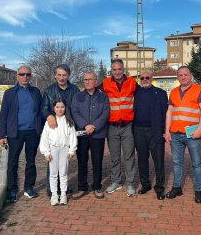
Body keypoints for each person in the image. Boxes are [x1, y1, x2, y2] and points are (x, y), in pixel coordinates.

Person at [0, 66, 43, 203]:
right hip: (15, 133)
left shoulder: (36, 92)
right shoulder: (10, 93)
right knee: (12, 163)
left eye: (28, 74)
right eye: (22, 74)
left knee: (31, 161)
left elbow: (41, 112)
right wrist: (2, 135)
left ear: (31, 76)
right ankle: (12, 191)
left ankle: (28, 188)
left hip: (32, 132)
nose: (25, 76)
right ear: (17, 76)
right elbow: (4, 115)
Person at [165, 66, 201, 203]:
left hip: (192, 134)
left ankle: (199, 190)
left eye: (186, 75)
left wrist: (199, 130)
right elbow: (169, 112)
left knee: (197, 163)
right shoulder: (173, 92)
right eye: (180, 75)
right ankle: (177, 188)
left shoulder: (199, 90)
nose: (183, 77)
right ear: (178, 77)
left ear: (191, 76)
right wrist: (167, 131)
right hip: (176, 134)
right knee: (177, 162)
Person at [98, 59, 140, 196]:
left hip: (128, 125)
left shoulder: (132, 82)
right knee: (115, 157)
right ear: (111, 70)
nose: (117, 72)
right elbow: (94, 94)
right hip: (112, 125)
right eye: (114, 69)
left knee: (129, 156)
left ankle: (130, 183)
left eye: (119, 69)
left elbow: (141, 95)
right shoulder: (105, 83)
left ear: (123, 69)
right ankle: (116, 182)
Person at [41, 64, 80, 198]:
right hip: (54, 126)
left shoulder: (75, 89)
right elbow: (44, 108)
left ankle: (63, 186)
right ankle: (51, 188)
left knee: (66, 159)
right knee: (52, 158)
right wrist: (49, 116)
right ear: (55, 76)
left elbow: (78, 107)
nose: (62, 78)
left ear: (68, 76)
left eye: (64, 75)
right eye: (59, 75)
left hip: (70, 126)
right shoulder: (49, 90)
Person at [71, 72, 110, 200]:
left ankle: (97, 187)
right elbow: (75, 112)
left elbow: (105, 113)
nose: (87, 82)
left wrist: (93, 127)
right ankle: (82, 187)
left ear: (95, 81)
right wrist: (85, 125)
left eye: (89, 79)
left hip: (97, 134)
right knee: (82, 161)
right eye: (85, 79)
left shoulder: (103, 97)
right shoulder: (77, 96)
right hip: (82, 134)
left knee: (97, 161)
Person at [133, 71, 168, 200]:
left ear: (152, 79)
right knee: (142, 159)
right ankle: (145, 184)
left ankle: (159, 187)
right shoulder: (136, 93)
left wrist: (166, 131)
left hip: (156, 131)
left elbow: (166, 114)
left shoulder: (161, 93)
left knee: (158, 160)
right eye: (142, 78)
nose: (145, 79)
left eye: (147, 77)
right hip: (138, 130)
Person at [39, 99, 77, 206]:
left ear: (65, 108)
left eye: (62, 107)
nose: (60, 109)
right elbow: (45, 137)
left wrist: (71, 150)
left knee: (63, 173)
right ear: (54, 108)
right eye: (57, 107)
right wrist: (46, 152)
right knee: (53, 174)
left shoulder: (69, 121)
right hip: (53, 149)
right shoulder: (50, 122)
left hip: (64, 149)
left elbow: (72, 136)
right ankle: (54, 194)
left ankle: (63, 194)